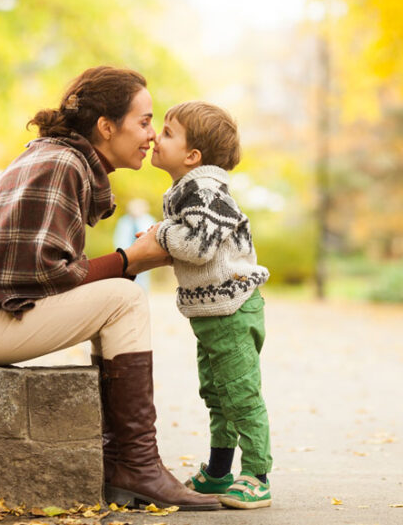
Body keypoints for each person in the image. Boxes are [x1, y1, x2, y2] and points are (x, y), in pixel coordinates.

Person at [0, 67, 221, 512]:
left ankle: (128, 464)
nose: (151, 135)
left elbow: (40, 274)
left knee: (121, 296)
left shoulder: (58, 156)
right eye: (144, 121)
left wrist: (129, 261)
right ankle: (136, 466)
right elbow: (50, 276)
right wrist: (132, 260)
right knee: (126, 298)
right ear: (106, 127)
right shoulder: (62, 164)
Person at [150, 101, 273, 509]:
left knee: (241, 395)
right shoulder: (186, 191)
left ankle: (257, 474)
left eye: (167, 132)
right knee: (216, 394)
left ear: (192, 156)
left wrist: (161, 234)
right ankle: (219, 472)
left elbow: (199, 247)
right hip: (211, 314)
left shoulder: (206, 192)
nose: (154, 136)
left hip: (234, 311)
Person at [113, 198, 156, 292]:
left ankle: (142, 294)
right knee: (127, 279)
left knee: (142, 278)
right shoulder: (124, 221)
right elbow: (119, 238)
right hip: (128, 254)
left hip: (145, 254)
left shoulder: (149, 220)